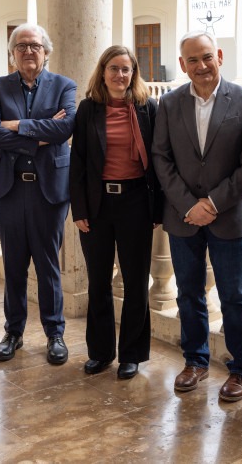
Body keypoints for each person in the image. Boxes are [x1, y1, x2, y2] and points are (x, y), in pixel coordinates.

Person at [151, 30, 242, 402]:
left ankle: (241, 368)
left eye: (207, 57)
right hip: (183, 218)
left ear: (220, 57)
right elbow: (161, 158)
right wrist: (188, 205)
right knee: (188, 293)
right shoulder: (169, 103)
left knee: (235, 297)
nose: (201, 66)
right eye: (193, 60)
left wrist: (212, 203)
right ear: (183, 65)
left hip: (229, 217)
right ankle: (195, 361)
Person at [0, 23, 76, 365]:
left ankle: (55, 333)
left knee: (48, 264)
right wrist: (39, 136)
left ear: (46, 51)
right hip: (8, 189)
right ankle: (13, 332)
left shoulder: (64, 86)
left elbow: (65, 128)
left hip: (48, 189)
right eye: (21, 46)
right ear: (12, 53)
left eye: (34, 45)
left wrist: (17, 126)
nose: (28, 51)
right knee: (14, 263)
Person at [70, 45, 163, 380]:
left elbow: (159, 160)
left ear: (133, 73)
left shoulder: (148, 108)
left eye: (126, 69)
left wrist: (158, 208)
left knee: (136, 281)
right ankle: (100, 352)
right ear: (103, 72)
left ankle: (132, 354)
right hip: (97, 205)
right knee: (98, 282)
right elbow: (78, 161)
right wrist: (79, 208)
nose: (120, 75)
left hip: (136, 202)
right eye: (114, 68)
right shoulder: (88, 109)